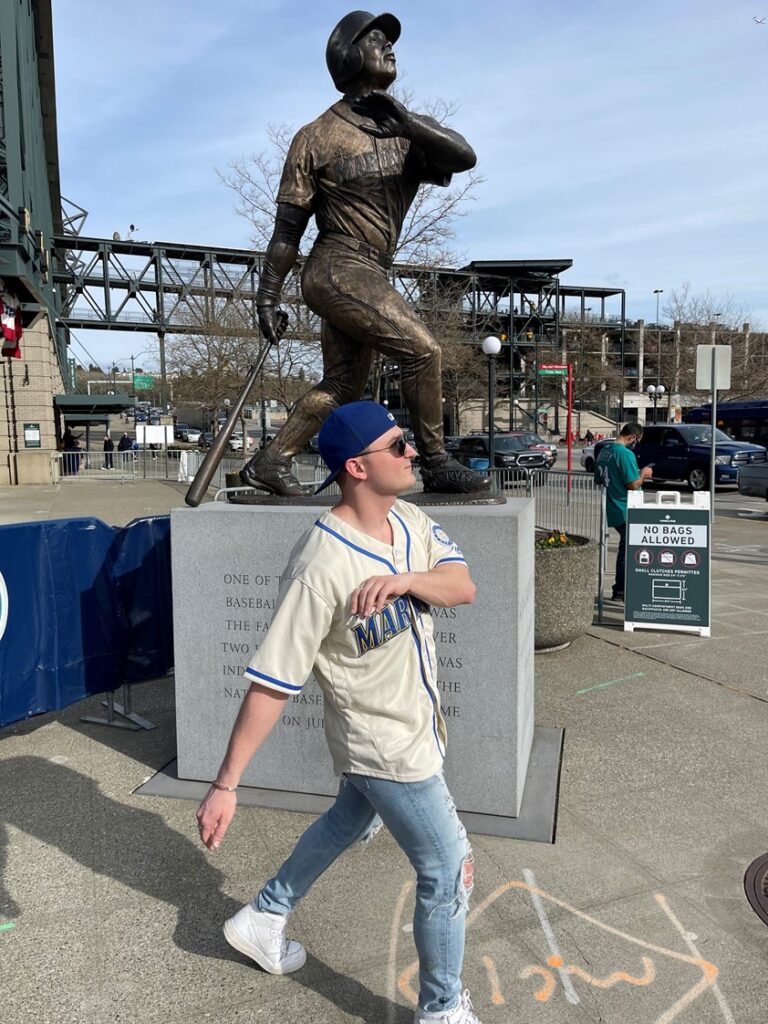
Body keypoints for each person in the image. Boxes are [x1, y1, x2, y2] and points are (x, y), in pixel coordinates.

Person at [197, 400, 483, 1024]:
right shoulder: (320, 563)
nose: (413, 452)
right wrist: (226, 784)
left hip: (418, 726)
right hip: (383, 745)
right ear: (357, 466)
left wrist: (408, 581)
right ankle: (440, 1010)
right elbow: (274, 681)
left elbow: (462, 585)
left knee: (345, 823)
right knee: (447, 866)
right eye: (398, 445)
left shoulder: (408, 519)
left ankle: (264, 916)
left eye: (407, 441)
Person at [239, 11, 489, 499]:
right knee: (423, 350)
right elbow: (287, 231)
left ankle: (271, 461)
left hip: (370, 269)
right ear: (349, 56)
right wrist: (267, 297)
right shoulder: (315, 137)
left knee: (343, 387)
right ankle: (435, 462)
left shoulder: (407, 128)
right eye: (377, 39)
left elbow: (465, 155)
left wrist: (411, 125)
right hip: (335, 266)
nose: (390, 47)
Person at [594, 422, 652, 602]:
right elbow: (632, 484)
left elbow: (598, 479)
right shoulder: (625, 453)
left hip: (612, 505)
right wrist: (644, 473)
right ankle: (621, 590)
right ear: (632, 437)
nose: (636, 444)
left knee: (625, 548)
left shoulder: (604, 451)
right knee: (628, 551)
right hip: (626, 507)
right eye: (637, 440)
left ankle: (620, 589)